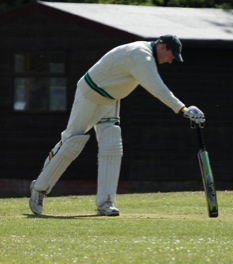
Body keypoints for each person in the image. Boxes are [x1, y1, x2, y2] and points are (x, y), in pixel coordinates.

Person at [29, 35, 205, 216]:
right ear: (162, 45)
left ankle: (106, 202)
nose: (170, 60)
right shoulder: (140, 55)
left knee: (112, 145)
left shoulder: (144, 54)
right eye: (171, 55)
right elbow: (156, 87)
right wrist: (183, 109)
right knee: (72, 143)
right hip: (90, 95)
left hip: (110, 100)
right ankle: (39, 188)